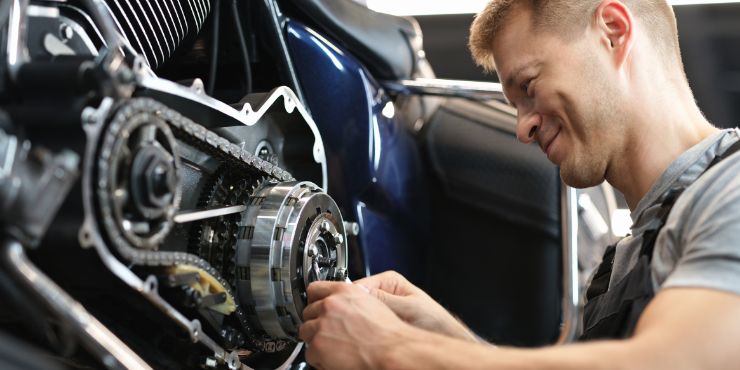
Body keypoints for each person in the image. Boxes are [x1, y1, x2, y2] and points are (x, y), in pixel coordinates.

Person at [298, 0, 740, 368]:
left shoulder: (732, 186)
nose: (522, 129)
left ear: (612, 31)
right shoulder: (621, 265)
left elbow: (675, 361)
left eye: (529, 86)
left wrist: (388, 347)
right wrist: (442, 335)